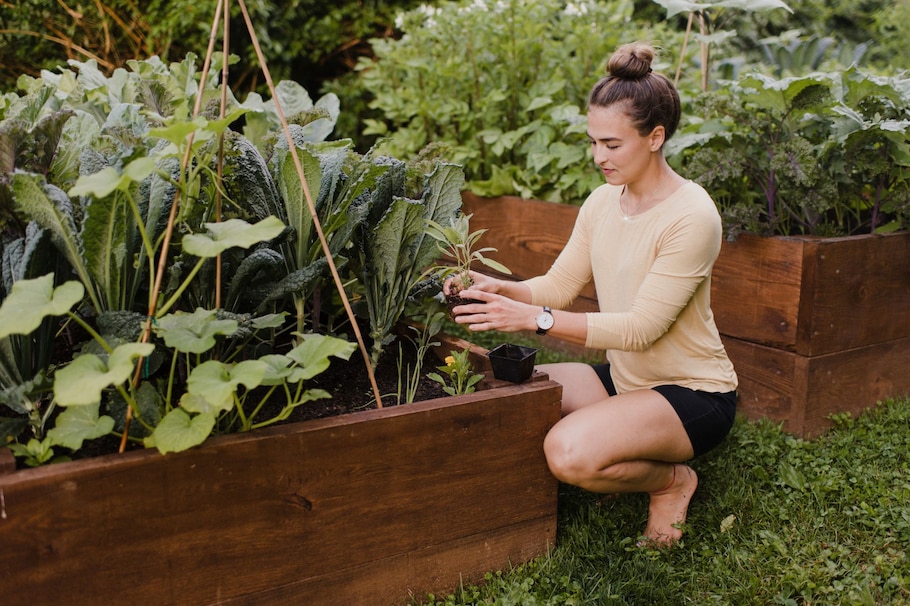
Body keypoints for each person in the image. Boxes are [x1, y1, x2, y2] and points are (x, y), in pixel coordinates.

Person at [450, 42, 738, 547]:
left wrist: (533, 320)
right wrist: (499, 288)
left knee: (568, 452)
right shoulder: (603, 202)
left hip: (693, 392)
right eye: (593, 142)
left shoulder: (693, 215)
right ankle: (620, 444)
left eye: (612, 144)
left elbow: (640, 328)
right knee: (507, 390)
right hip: (627, 380)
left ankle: (672, 482)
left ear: (655, 137)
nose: (598, 157)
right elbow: (558, 287)